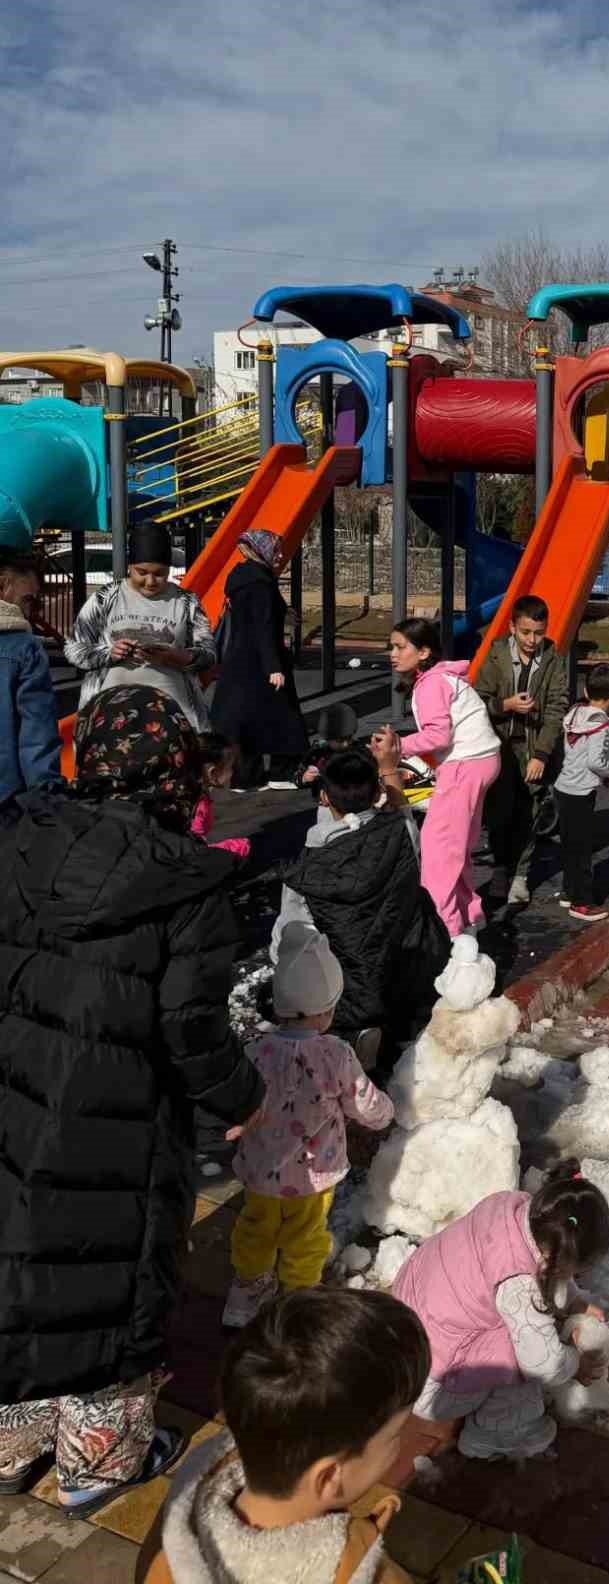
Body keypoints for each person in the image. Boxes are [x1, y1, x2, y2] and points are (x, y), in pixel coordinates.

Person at [0, 687, 261, 1513]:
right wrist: (241, 1093)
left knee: (17, 1252)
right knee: (108, 1273)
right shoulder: (182, 880)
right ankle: (98, 1461)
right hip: (116, 1115)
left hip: (13, 1088)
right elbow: (190, 1026)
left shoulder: (19, 837)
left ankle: (11, 1439)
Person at [136, 1287, 429, 1584]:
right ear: (329, 1478)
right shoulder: (359, 1570)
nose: (400, 1443)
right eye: (394, 1435)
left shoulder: (194, 1490)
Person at [223, 924, 395, 1328]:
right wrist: (386, 1114)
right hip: (312, 1175)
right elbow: (363, 1102)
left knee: (255, 1227)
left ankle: (245, 1292)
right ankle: (297, 1296)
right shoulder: (335, 1053)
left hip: (260, 1170)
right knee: (306, 1235)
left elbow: (237, 1100)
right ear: (324, 1010)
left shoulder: (255, 1050)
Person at [392, 1160, 609, 1460]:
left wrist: (575, 1301)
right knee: (525, 1354)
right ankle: (496, 1436)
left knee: (525, 1327)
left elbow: (544, 1265)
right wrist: (576, 1363)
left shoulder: (514, 1206)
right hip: (427, 1384)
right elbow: (541, 1364)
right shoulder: (519, 1284)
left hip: (399, 1326)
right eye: (575, 1270)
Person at [271, 747, 450, 1059]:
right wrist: (388, 765)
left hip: (350, 990)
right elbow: (401, 807)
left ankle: (356, 1038)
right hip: (410, 968)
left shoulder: (306, 869)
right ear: (377, 791)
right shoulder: (402, 832)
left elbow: (288, 935)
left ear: (324, 798)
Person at [382, 617, 501, 937]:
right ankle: (469, 916)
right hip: (480, 761)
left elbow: (438, 736)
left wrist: (397, 747)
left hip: (465, 765)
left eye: (399, 647)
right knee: (457, 846)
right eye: (391, 647)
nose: (392, 653)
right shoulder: (441, 677)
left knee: (438, 852)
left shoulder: (431, 684)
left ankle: (443, 933)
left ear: (423, 652)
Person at [64, 521, 216, 733]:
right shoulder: (105, 598)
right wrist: (109, 653)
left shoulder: (186, 602)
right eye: (141, 572)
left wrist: (179, 656)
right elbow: (73, 648)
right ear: (130, 566)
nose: (150, 581)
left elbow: (209, 653)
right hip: (111, 714)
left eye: (160, 573)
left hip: (175, 714)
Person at [475, 595, 570, 906]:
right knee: (500, 812)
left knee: (529, 812)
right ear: (512, 627)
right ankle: (502, 868)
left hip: (532, 748)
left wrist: (541, 754)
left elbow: (557, 708)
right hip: (500, 748)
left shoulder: (553, 657)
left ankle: (520, 874)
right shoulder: (496, 654)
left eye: (539, 633)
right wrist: (507, 705)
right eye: (526, 632)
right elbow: (478, 700)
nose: (532, 640)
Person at [210, 529, 308, 789]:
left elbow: (253, 614)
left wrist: (283, 613)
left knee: (245, 720)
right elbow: (263, 626)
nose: (278, 556)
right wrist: (274, 667)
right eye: (274, 551)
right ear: (260, 551)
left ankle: (245, 776)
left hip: (241, 659)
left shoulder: (242, 577)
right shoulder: (261, 583)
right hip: (262, 661)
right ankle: (283, 771)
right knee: (286, 717)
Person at [555, 662, 609, 922]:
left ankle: (569, 892)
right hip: (581, 791)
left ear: (585, 690)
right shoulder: (602, 726)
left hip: (563, 787)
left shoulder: (575, 713)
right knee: (582, 849)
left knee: (570, 844)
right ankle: (582, 903)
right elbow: (595, 760)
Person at [0, 549, 60, 806]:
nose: (29, 611)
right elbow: (37, 736)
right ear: (3, 585)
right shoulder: (24, 649)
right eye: (28, 600)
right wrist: (47, 799)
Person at [190, 730, 251, 859]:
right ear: (212, 773)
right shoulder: (197, 806)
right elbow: (192, 846)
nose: (232, 773)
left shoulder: (194, 793)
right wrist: (235, 847)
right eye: (230, 767)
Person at [293, 700, 359, 806]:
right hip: (326, 803)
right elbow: (297, 777)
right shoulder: (317, 753)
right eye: (340, 740)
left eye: (349, 738)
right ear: (327, 738)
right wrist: (305, 778)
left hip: (354, 799)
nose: (346, 744)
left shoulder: (357, 749)